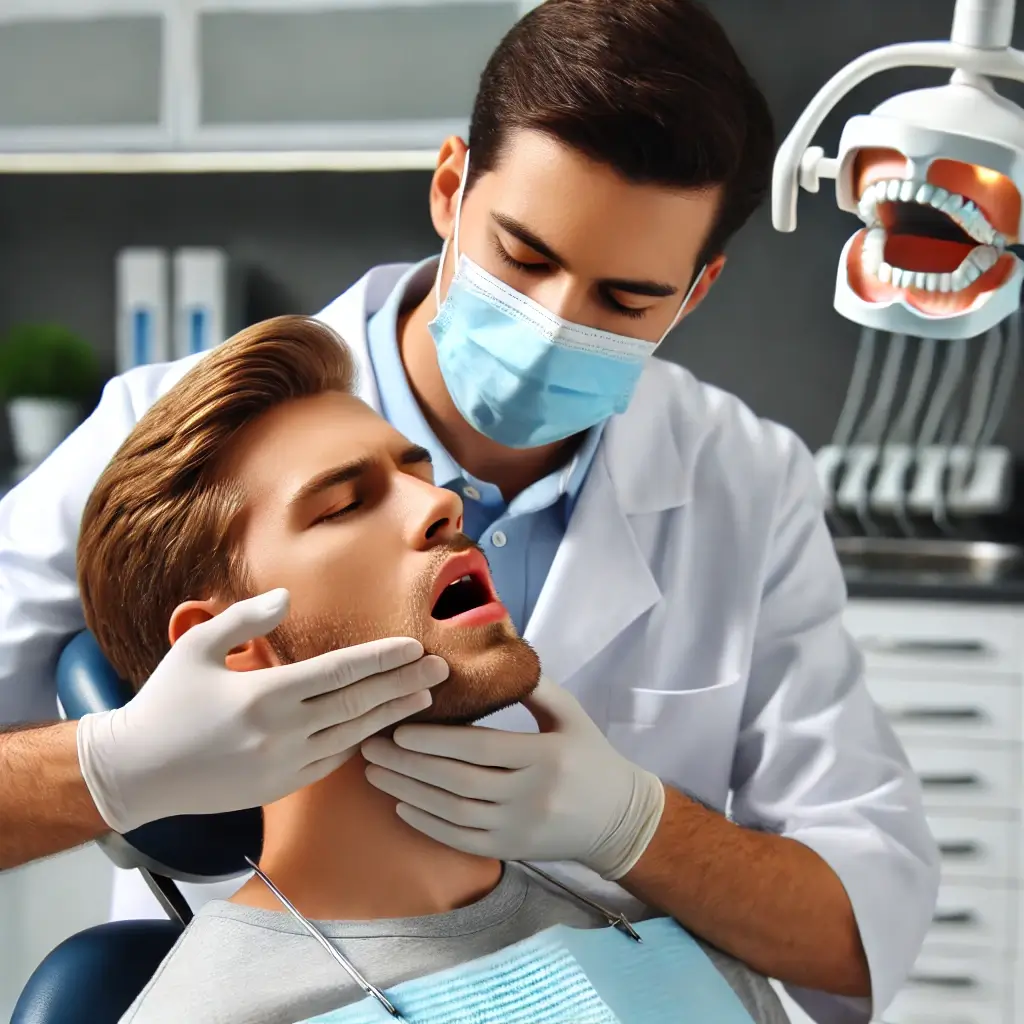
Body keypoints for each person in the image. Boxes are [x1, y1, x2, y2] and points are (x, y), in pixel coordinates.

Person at [0, 1, 937, 1022]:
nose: (553, 324)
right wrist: (118, 766)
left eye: (624, 302)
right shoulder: (178, 436)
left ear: (694, 293)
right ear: (451, 186)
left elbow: (861, 921)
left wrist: (636, 826)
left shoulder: (743, 479)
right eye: (524, 257)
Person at [77, 315, 788, 1024]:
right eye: (346, 505)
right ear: (236, 648)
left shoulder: (659, 932)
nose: (443, 504)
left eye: (420, 476)